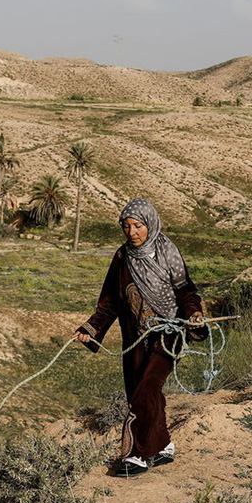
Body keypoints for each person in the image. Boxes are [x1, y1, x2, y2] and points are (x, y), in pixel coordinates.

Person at [73, 199, 205, 477]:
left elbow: (186, 291)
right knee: (142, 390)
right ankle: (162, 445)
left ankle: (136, 454)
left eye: (138, 225)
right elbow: (109, 301)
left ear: (150, 224)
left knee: (146, 388)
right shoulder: (122, 258)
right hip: (134, 337)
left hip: (169, 334)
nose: (132, 232)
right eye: (126, 226)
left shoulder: (167, 252)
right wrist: (90, 329)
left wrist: (193, 314)